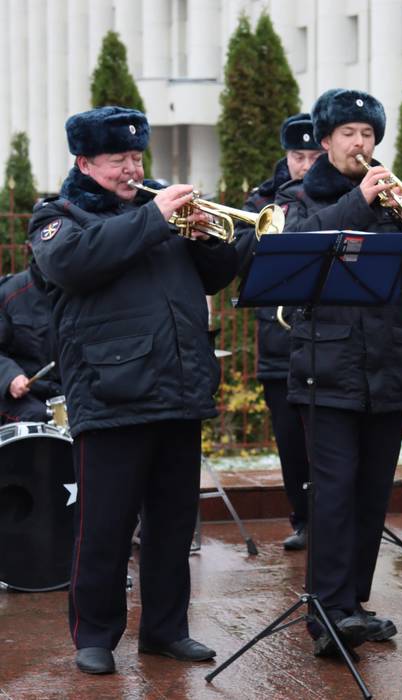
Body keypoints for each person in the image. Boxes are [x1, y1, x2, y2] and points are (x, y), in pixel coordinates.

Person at [27, 106, 239, 674]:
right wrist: (156, 222)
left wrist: (208, 241)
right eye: (118, 159)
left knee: (172, 524)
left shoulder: (158, 208)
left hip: (178, 386)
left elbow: (214, 277)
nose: (130, 168)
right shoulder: (59, 215)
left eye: (136, 156)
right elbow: (72, 265)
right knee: (105, 525)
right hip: (110, 391)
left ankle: (166, 630)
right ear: (85, 161)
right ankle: (94, 635)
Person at [274, 88, 402, 656]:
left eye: (368, 135)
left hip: (388, 365)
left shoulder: (396, 196)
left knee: (372, 494)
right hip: (324, 370)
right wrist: (360, 202)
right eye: (349, 134)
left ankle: (352, 604)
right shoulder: (298, 196)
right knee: (332, 493)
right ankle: (325, 612)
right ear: (325, 140)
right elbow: (299, 249)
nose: (360, 143)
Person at [235, 113, 324, 551]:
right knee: (290, 441)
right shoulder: (262, 200)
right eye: (297, 156)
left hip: (327, 340)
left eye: (313, 156)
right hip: (279, 340)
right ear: (285, 157)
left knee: (325, 439)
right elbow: (236, 260)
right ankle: (302, 517)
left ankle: (332, 519)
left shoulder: (339, 196)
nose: (305, 165)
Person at [0, 256, 61, 424]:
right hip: (26, 395)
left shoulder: (82, 291)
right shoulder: (9, 294)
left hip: (72, 391)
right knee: (36, 416)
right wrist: (10, 376)